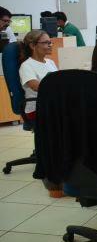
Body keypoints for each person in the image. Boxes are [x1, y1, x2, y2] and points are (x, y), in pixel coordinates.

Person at [18, 30, 61, 197]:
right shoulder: (26, 66)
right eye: (46, 42)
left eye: (50, 42)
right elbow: (37, 87)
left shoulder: (50, 63)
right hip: (36, 109)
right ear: (33, 46)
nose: (50, 45)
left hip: (52, 106)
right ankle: (53, 179)